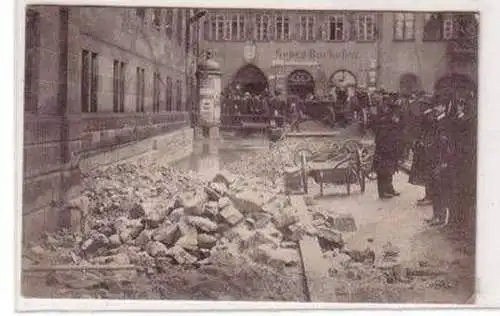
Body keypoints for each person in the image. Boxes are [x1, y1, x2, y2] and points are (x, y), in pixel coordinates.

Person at [425, 100, 453, 226]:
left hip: (440, 160)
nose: (435, 108)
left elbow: (447, 145)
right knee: (434, 189)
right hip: (433, 159)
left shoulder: (445, 123)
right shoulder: (436, 120)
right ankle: (436, 215)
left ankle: (440, 217)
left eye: (439, 105)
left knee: (439, 189)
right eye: (435, 105)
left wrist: (444, 162)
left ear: (444, 106)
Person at [372, 94, 404, 199]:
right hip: (384, 147)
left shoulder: (387, 115)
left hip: (389, 147)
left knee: (388, 170)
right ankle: (383, 192)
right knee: (383, 171)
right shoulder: (381, 117)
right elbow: (379, 130)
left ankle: (389, 190)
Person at [409, 95, 435, 206]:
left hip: (427, 148)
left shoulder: (429, 116)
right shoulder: (427, 115)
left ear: (426, 105)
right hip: (424, 146)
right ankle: (428, 196)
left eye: (422, 104)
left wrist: (422, 141)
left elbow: (428, 132)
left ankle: (430, 197)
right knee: (426, 173)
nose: (420, 106)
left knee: (428, 173)